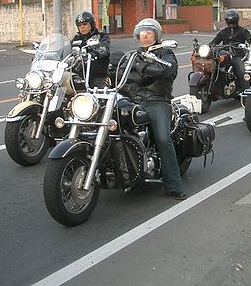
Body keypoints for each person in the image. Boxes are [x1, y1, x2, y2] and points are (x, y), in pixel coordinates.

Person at [123, 18, 186, 200]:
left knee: (163, 139)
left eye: (149, 33)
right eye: (142, 33)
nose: (145, 35)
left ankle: (173, 185)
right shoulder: (133, 55)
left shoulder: (165, 53)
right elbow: (121, 73)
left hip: (157, 101)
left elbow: (166, 70)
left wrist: (140, 67)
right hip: (133, 101)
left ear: (156, 35)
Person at [209, 9, 251, 92]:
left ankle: (246, 91)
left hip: (237, 55)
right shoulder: (223, 32)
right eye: (229, 20)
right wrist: (207, 47)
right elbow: (214, 42)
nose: (231, 22)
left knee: (242, 72)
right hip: (224, 55)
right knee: (214, 67)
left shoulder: (243, 31)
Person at [71, 11, 111, 88]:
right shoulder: (76, 38)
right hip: (78, 75)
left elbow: (105, 49)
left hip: (97, 75)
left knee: (100, 92)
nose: (82, 27)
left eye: (85, 24)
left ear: (91, 24)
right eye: (79, 25)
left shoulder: (101, 36)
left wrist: (93, 54)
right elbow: (66, 51)